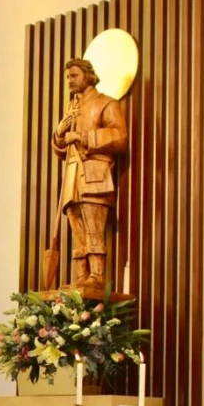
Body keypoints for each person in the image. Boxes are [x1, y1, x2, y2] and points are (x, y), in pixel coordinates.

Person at [51, 58, 128, 289]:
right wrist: (60, 133)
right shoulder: (72, 109)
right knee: (77, 228)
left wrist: (83, 137)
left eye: (74, 76)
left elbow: (119, 136)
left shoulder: (106, 103)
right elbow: (62, 148)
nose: (70, 81)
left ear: (88, 75)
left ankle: (96, 275)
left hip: (94, 172)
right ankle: (81, 275)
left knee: (94, 226)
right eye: (68, 77)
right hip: (73, 175)